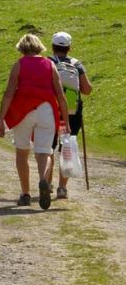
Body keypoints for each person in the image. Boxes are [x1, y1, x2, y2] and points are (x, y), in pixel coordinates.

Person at [0, 34, 69, 209]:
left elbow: (8, 93)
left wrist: (1, 120)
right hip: (47, 110)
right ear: (39, 47)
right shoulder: (50, 65)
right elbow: (60, 94)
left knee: (22, 152)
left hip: (23, 111)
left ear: (21, 48)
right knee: (45, 152)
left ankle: (25, 194)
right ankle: (44, 180)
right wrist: (65, 121)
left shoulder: (18, 65)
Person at [48, 31, 92, 200]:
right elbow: (87, 90)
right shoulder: (77, 64)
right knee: (66, 146)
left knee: (49, 146)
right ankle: (62, 188)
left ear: (52, 47)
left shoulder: (48, 62)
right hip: (72, 111)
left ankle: (47, 181)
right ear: (69, 48)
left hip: (51, 110)